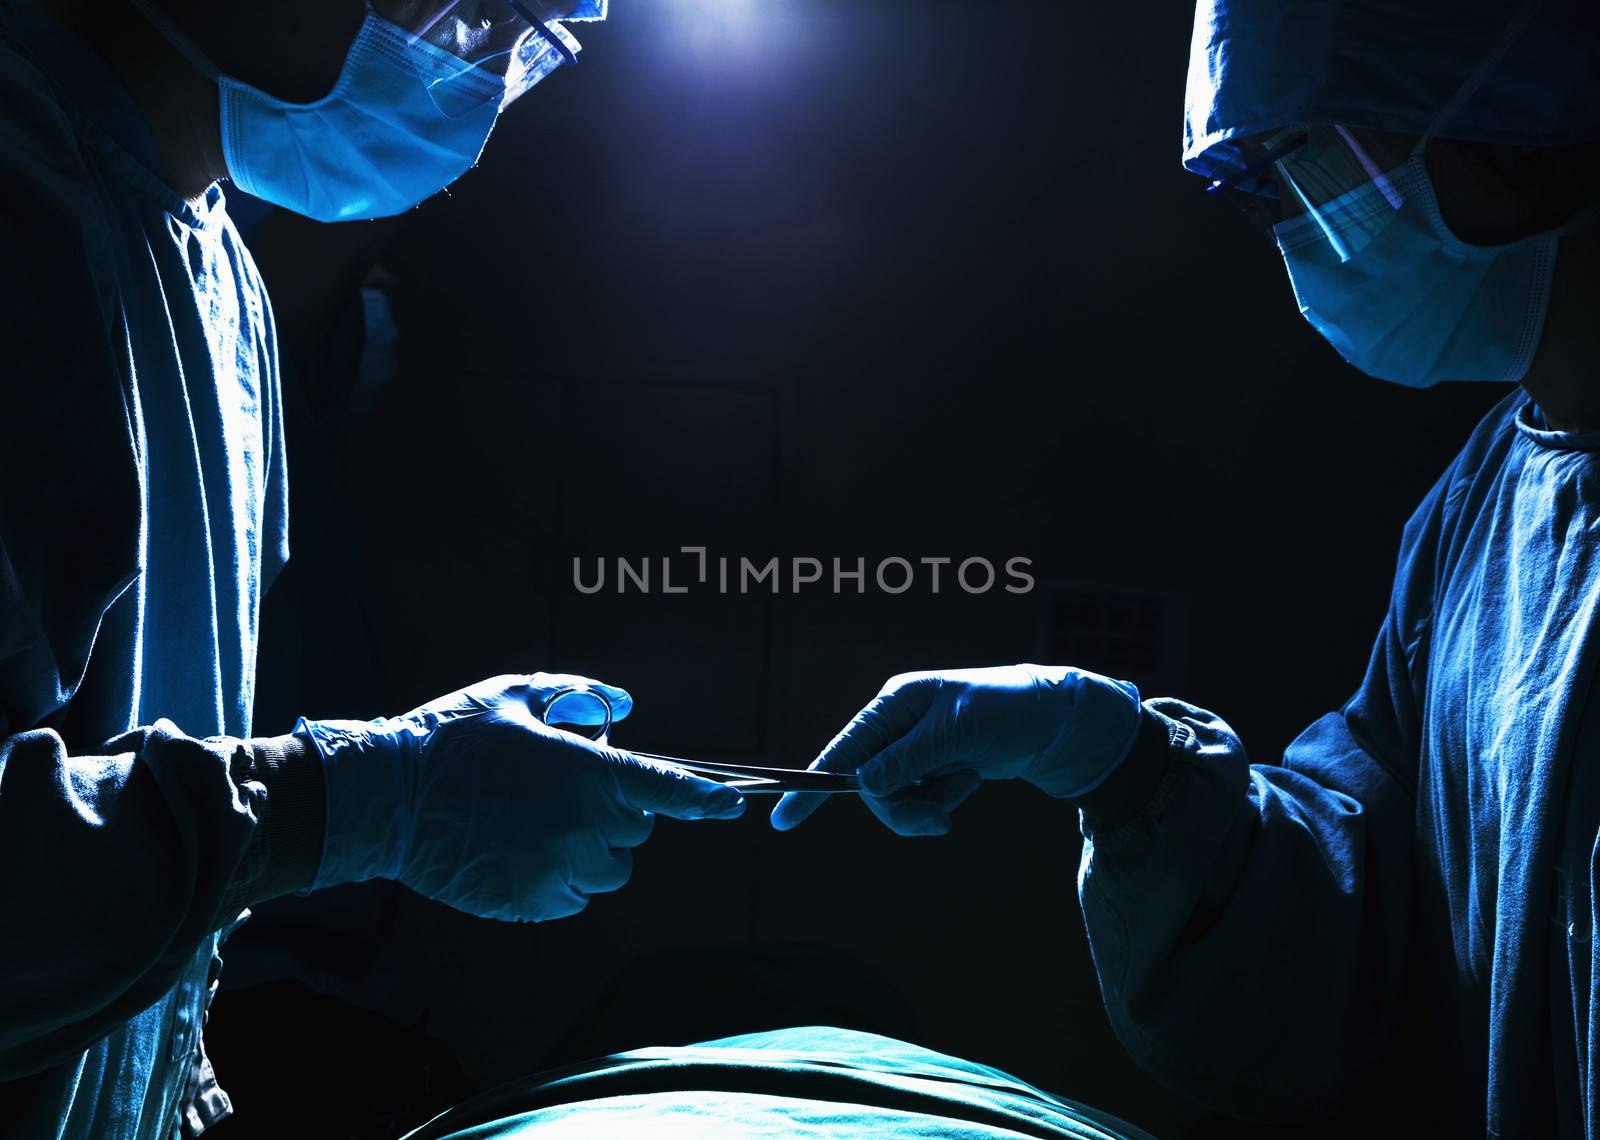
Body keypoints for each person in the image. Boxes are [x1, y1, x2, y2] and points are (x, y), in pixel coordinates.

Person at [772, 0, 1600, 1135]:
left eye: (1296, 164)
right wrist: (1121, 765)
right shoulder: (1479, 518)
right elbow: (1356, 952)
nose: (1287, 227)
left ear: (1507, 124)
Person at [0, 3, 751, 1137]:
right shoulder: (20, 200)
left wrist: (174, 1086)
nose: (517, 36)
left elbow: (141, 925)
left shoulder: (228, 290)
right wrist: (365, 804)